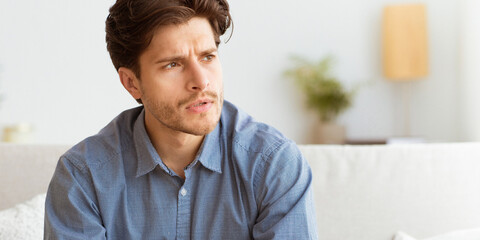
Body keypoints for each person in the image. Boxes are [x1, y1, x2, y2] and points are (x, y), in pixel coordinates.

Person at [43, 0, 318, 239]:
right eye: (173, 64)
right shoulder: (83, 178)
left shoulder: (273, 164)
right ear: (132, 83)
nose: (201, 81)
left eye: (208, 56)